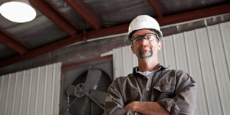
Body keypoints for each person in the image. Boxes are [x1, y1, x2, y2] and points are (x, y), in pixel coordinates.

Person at [104, 15, 196, 115]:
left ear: (159, 44)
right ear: (133, 49)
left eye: (149, 37)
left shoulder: (179, 78)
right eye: (137, 38)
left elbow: (185, 111)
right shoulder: (119, 85)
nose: (143, 42)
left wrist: (135, 106)